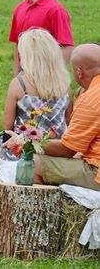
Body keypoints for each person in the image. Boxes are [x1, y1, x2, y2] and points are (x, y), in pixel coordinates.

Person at [0, 28, 71, 162]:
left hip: (25, 152)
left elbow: (7, 127)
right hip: (57, 152)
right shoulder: (65, 84)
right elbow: (69, 121)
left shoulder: (19, 84)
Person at [34, 43, 100, 190]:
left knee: (33, 163)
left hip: (96, 173)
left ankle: (45, 212)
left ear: (79, 72)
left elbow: (67, 149)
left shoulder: (91, 98)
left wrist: (29, 142)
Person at [9, 0, 74, 74]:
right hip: (24, 76)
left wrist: (50, 76)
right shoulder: (19, 9)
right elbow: (17, 46)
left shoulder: (56, 10)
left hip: (46, 78)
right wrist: (17, 77)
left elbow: (67, 49)